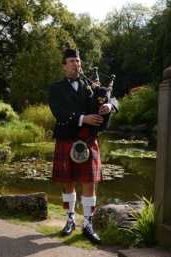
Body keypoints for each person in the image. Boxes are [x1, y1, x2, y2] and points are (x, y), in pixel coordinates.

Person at [48, 47, 119, 244]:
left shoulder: (90, 87)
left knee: (89, 183)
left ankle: (88, 223)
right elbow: (59, 113)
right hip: (66, 138)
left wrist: (110, 106)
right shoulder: (56, 89)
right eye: (71, 61)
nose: (76, 64)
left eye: (78, 61)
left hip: (88, 140)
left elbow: (111, 96)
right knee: (68, 181)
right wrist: (83, 118)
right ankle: (70, 218)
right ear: (64, 66)